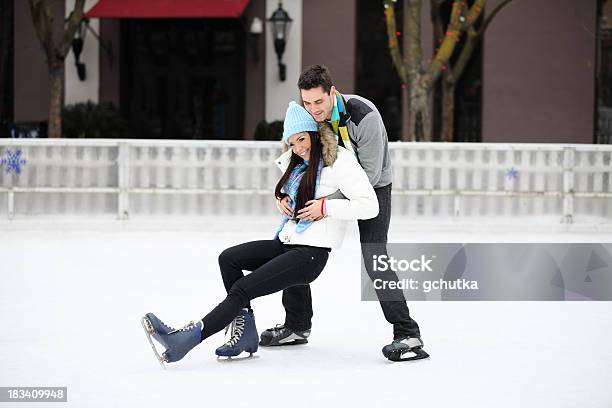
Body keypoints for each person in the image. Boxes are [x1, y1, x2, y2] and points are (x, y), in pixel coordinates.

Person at [141, 101, 379, 367]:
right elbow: (296, 193)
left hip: (310, 254)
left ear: (315, 133)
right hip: (289, 242)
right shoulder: (299, 164)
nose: (299, 148)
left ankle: (186, 339)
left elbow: (369, 206)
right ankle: (246, 335)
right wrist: (283, 200)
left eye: (302, 139)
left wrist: (326, 207)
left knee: (243, 289)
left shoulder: (340, 161)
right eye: (292, 143)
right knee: (229, 258)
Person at [260, 65, 429, 362]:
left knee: (374, 256)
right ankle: (296, 326)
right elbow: (299, 156)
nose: (313, 110)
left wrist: (324, 204)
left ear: (332, 93)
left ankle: (408, 334)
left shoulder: (365, 116)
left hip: (373, 188)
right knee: (298, 247)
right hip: (328, 187)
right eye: (307, 103)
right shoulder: (311, 118)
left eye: (318, 102)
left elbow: (372, 175)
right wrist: (287, 193)